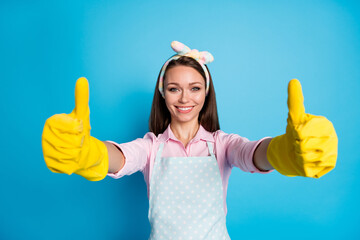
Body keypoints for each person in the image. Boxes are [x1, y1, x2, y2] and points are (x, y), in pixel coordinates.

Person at [42, 41, 338, 239]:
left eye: (194, 88)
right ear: (162, 93)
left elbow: (253, 154)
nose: (185, 98)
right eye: (174, 89)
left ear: (206, 92)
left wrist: (285, 151)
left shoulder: (222, 145)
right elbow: (118, 157)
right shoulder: (151, 147)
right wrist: (88, 152)